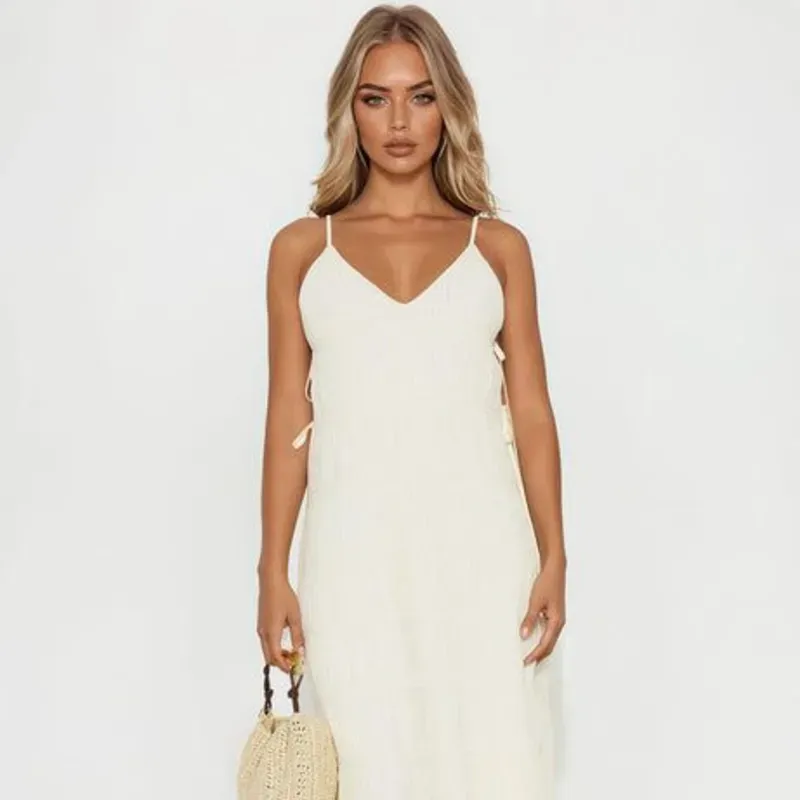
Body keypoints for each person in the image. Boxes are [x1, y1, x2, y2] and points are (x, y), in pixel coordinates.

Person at [257, 4, 567, 799]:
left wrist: (554, 555)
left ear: (448, 106)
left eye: (421, 96)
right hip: (350, 559)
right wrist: (272, 570)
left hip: (485, 557)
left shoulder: (498, 249)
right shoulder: (302, 251)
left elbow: (532, 412)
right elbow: (289, 417)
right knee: (370, 766)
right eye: (376, 98)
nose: (398, 122)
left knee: (498, 763)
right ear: (349, 109)